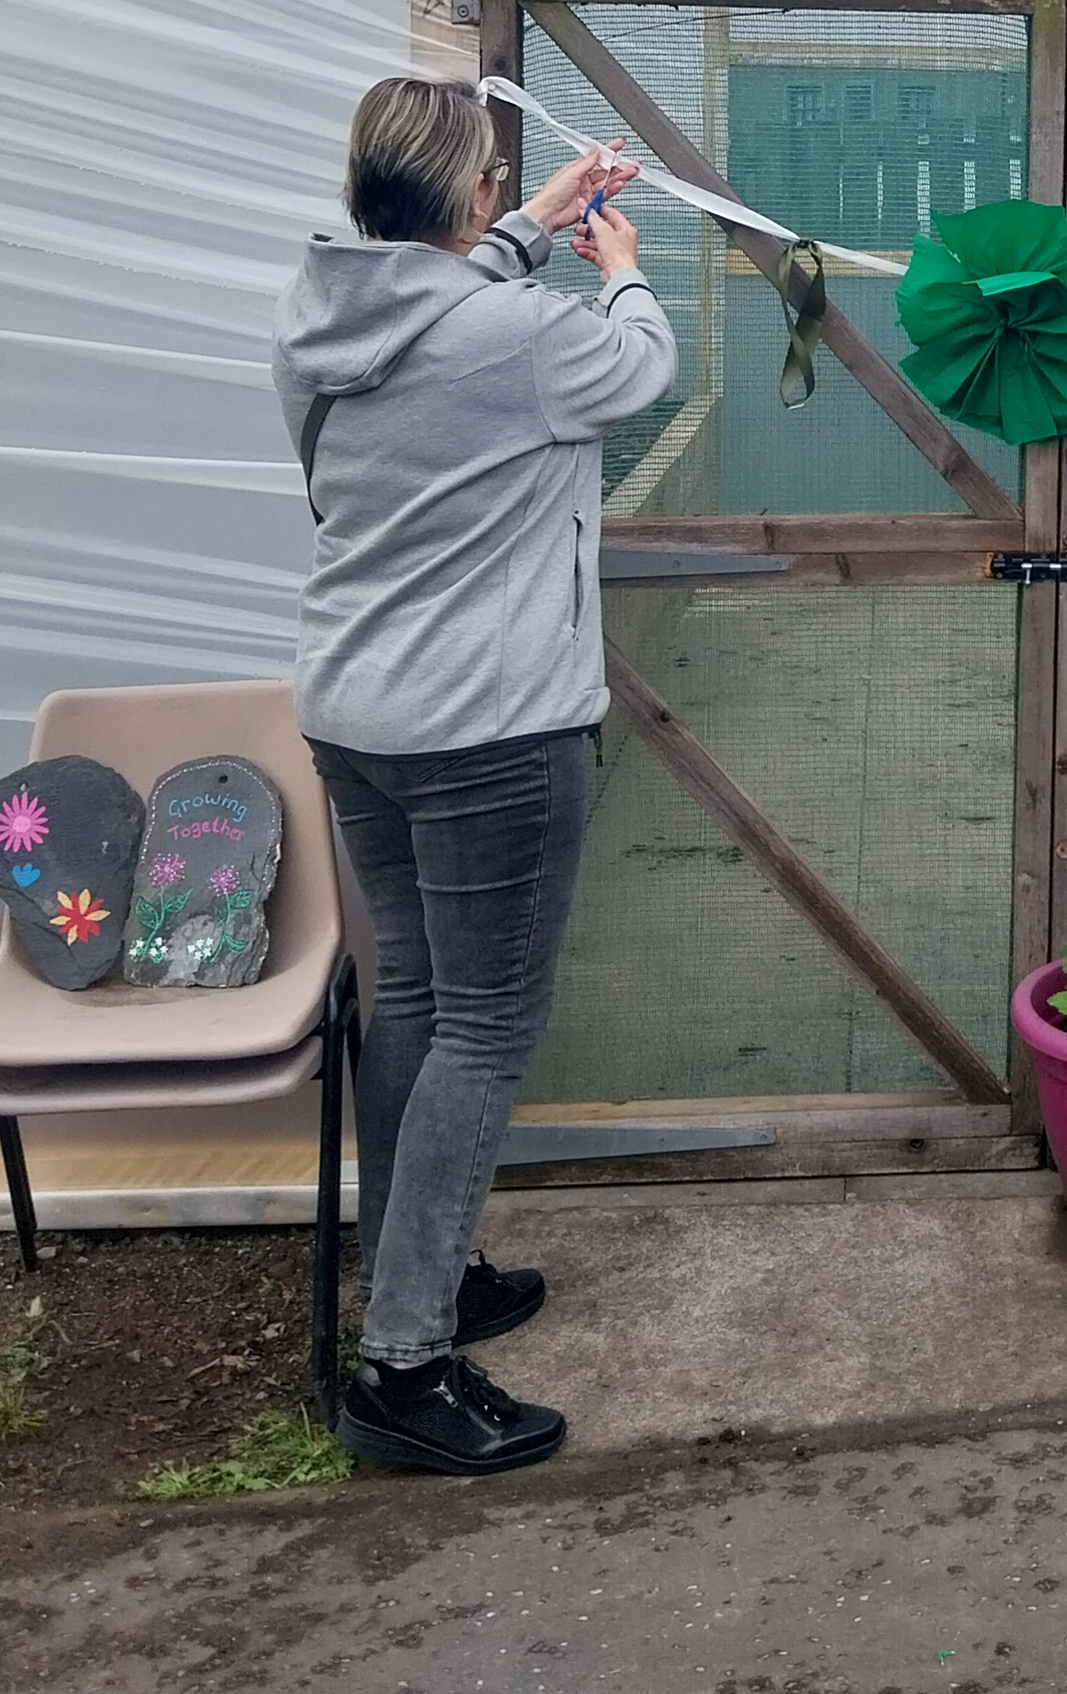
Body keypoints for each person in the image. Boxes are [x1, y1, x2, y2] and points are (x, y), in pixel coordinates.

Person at [275, 75, 672, 1477]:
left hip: (356, 712)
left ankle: (415, 1266)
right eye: (502, 183)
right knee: (488, 1029)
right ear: (469, 197)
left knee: (423, 1004)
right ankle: (404, 1359)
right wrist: (618, 268)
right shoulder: (521, 337)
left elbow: (438, 316)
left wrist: (528, 227)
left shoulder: (320, 317)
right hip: (486, 731)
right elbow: (639, 368)